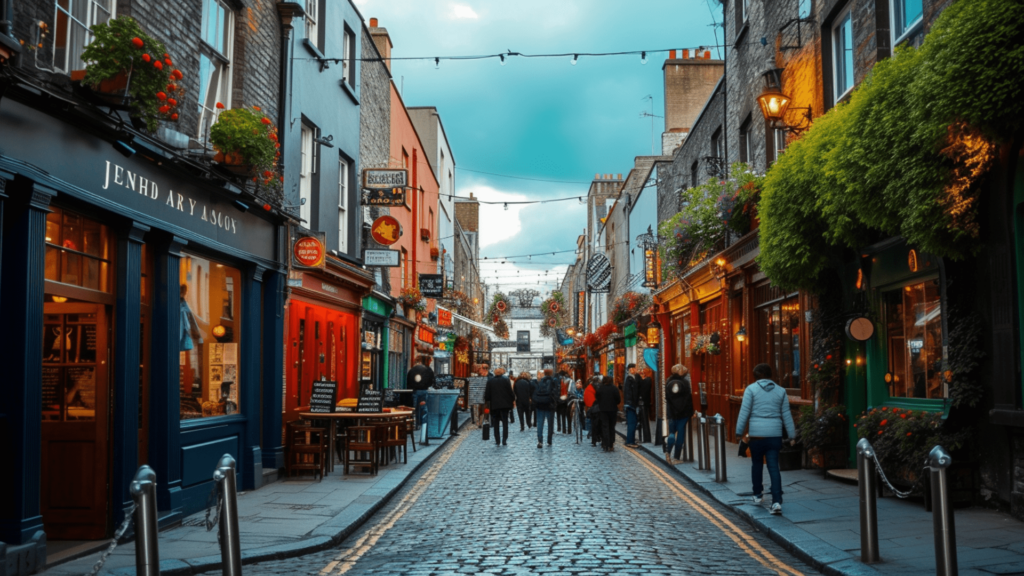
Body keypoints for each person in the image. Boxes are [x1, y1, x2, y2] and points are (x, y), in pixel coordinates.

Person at [735, 363, 797, 516]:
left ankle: (757, 495)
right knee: (774, 467)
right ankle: (776, 502)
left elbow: (745, 412)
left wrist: (739, 432)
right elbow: (786, 415)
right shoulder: (781, 391)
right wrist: (792, 435)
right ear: (771, 375)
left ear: (755, 376)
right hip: (774, 435)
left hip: (757, 435)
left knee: (756, 464)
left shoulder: (751, 389)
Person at [664, 364, 694, 464]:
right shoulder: (685, 383)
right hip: (683, 413)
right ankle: (676, 457)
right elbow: (688, 399)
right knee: (680, 433)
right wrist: (691, 412)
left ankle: (668, 451)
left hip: (672, 412)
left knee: (672, 432)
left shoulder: (668, 382)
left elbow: (667, 398)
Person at [483, 367, 515, 446]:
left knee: (496, 423)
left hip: (494, 405)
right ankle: (504, 440)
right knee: (505, 423)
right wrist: (512, 399)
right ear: (502, 373)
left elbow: (487, 395)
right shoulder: (506, 380)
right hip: (505, 405)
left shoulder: (490, 381)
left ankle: (497, 440)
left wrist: (488, 400)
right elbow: (510, 392)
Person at [407, 356, 435, 428]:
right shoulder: (427, 370)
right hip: (424, 391)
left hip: (415, 392)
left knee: (415, 408)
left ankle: (416, 424)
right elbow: (431, 380)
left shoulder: (412, 370)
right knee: (424, 408)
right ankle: (424, 424)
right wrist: (427, 386)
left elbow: (408, 381)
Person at [533, 368, 557, 448]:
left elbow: (536, 392)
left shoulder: (540, 381)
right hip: (549, 404)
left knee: (540, 423)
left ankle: (540, 441)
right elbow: (555, 392)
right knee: (550, 423)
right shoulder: (553, 381)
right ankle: (549, 440)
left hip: (540, 404)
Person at [596, 375, 621, 452]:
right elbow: (618, 400)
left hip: (603, 410)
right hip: (613, 410)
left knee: (605, 426)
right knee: (611, 427)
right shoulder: (614, 388)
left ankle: (605, 443)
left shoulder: (600, 389)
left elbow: (597, 398)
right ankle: (611, 444)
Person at [623, 364, 640, 448]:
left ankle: (630, 440)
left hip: (630, 404)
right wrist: (631, 403)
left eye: (634, 368)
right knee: (632, 423)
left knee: (632, 423)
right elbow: (631, 393)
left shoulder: (632, 378)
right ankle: (630, 441)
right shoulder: (630, 379)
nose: (633, 370)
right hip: (630, 404)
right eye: (632, 369)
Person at [638, 368, 653, 444]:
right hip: (644, 402)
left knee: (644, 421)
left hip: (644, 403)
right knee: (643, 421)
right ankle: (645, 438)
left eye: (644, 372)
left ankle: (646, 438)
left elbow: (643, 389)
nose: (643, 373)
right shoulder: (647, 380)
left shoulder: (647, 380)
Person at [584, 376, 599, 445]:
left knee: (593, 423)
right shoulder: (596, 387)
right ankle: (597, 437)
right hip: (596, 407)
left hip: (591, 407)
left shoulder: (589, 388)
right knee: (597, 423)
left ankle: (594, 440)